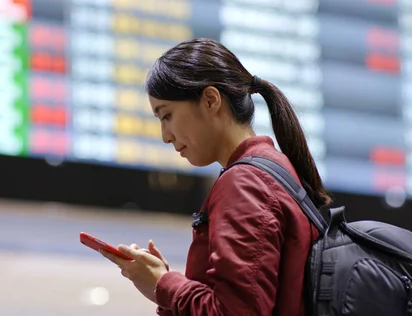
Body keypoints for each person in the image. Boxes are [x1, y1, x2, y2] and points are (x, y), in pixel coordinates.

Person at [100, 37, 332, 316]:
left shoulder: (245, 184)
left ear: (210, 100)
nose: (165, 136)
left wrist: (164, 283)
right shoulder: (270, 170)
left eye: (167, 116)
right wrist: (165, 286)